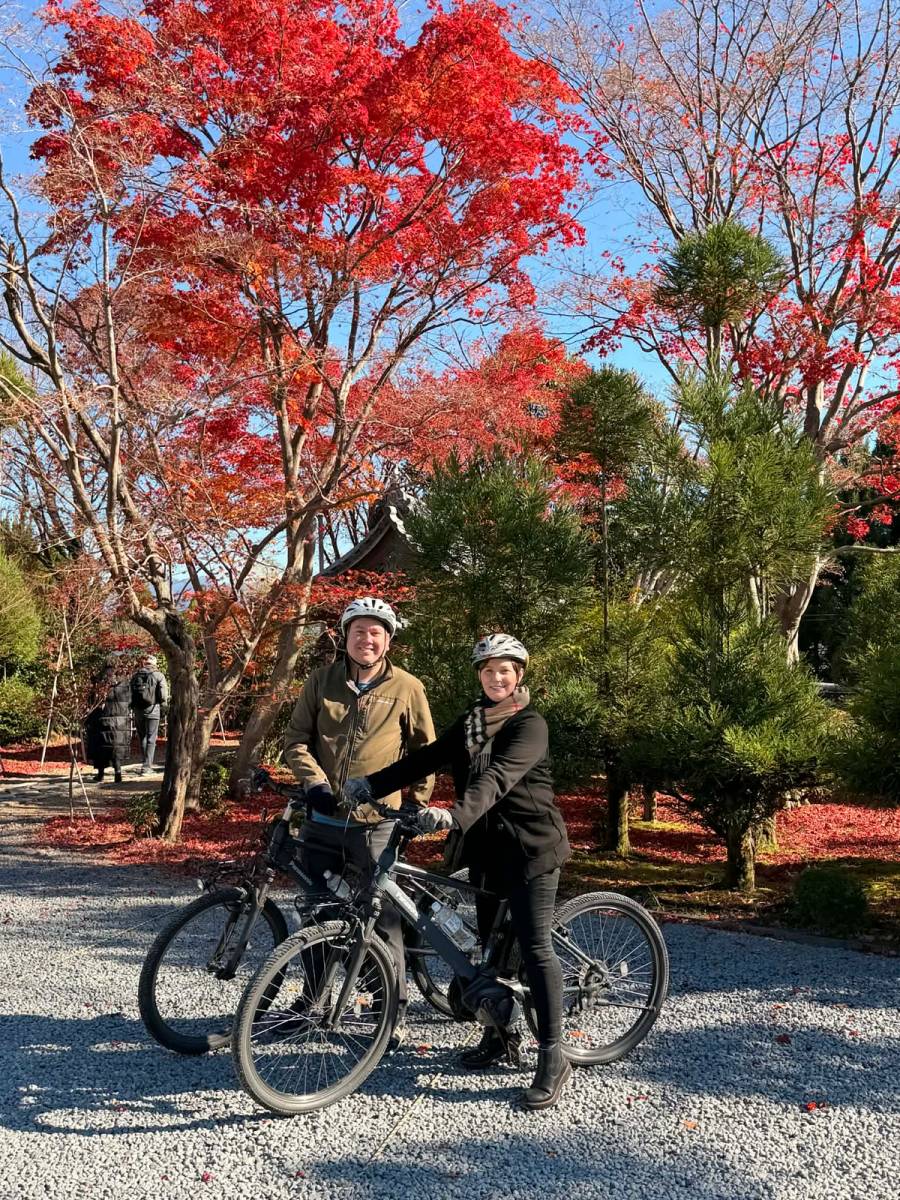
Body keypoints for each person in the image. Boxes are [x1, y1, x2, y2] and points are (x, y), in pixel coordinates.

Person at [343, 633, 572, 1111]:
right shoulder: (471, 723)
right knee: (489, 950)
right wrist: (372, 785)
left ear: (519, 675)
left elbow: (498, 778)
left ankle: (553, 1055)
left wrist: (454, 813)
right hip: (487, 850)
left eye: (504, 671)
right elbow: (427, 757)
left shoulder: (530, 725)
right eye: (488, 671)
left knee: (534, 947)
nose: (496, 678)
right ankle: (499, 1037)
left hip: (531, 850)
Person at [283, 596, 436, 1040]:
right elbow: (296, 740)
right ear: (345, 636)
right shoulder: (322, 680)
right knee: (316, 911)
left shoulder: (407, 687)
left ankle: (388, 1009)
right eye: (358, 631)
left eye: (375, 632)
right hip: (323, 820)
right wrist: (315, 785)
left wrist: (416, 805)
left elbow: (424, 752)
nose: (366, 640)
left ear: (387, 639)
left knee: (381, 916)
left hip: (377, 821)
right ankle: (313, 1000)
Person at [84, 663, 132, 783]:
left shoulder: (99, 684)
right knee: (115, 748)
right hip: (120, 721)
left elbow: (92, 702)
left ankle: (101, 774)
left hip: (102, 719)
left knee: (101, 748)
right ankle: (118, 773)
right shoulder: (124, 684)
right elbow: (129, 700)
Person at [130, 654, 168, 774]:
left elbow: (130, 692)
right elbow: (163, 694)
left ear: (145, 663)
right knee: (151, 737)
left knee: (143, 737)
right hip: (153, 709)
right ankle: (147, 766)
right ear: (155, 664)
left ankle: (144, 763)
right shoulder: (158, 675)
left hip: (138, 710)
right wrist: (164, 705)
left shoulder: (135, 676)